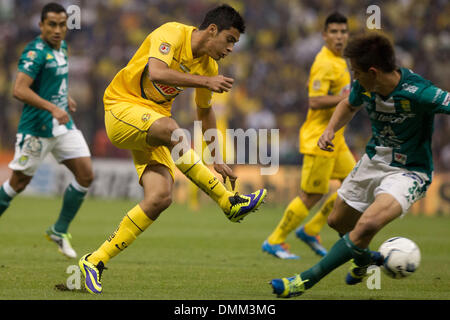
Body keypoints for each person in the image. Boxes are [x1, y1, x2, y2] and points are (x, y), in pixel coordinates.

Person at [79, 4, 266, 294]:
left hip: (151, 123)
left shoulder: (209, 67)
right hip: (121, 109)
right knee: (172, 129)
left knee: (160, 197)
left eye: (235, 44)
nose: (231, 48)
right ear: (212, 30)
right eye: (229, 39)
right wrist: (205, 81)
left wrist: (216, 158)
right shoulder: (172, 33)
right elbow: (156, 73)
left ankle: (95, 260)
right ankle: (227, 202)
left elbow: (205, 113)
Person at [270, 32, 450, 297]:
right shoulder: (364, 86)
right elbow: (348, 105)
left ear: (374, 71)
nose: (353, 77)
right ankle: (364, 260)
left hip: (409, 171)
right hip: (373, 160)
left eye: (356, 72)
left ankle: (303, 281)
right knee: (337, 221)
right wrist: (330, 129)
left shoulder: (420, 92)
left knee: (366, 225)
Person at [0, 3, 93, 259]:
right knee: (18, 183)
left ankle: (58, 230)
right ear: (41, 25)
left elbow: (56, 80)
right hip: (37, 129)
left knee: (86, 175)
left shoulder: (62, 47)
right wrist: (53, 107)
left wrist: (65, 99)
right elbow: (18, 90)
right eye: (51, 24)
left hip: (63, 125)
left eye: (62, 24)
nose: (57, 29)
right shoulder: (34, 52)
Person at [262, 12, 354, 259]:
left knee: (354, 184)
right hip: (319, 139)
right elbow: (314, 100)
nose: (339, 36)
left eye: (343, 32)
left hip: (337, 138)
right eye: (333, 32)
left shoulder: (338, 61)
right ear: (324, 36)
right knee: (311, 195)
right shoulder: (324, 62)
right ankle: (275, 240)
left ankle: (311, 230)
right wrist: (349, 98)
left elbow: (316, 88)